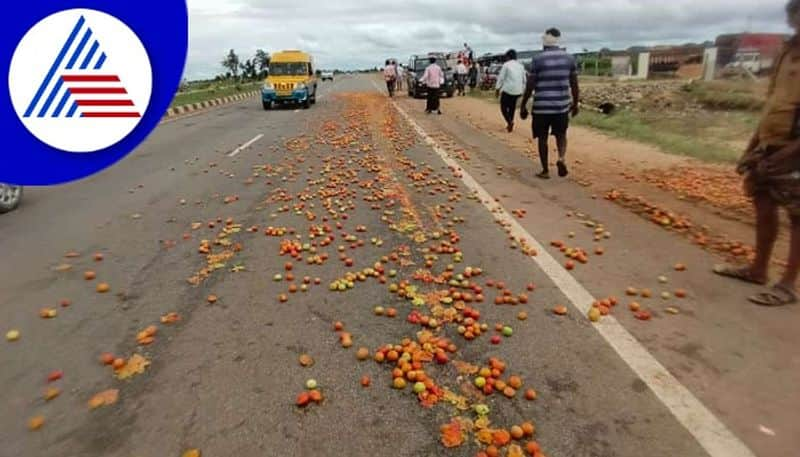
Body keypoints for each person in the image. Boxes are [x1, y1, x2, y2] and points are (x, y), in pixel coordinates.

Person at [713, 0, 800, 306]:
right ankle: (758, 269)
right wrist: (754, 147)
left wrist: (785, 154)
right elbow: (773, 104)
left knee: (796, 215)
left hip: (794, 147)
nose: (794, 22)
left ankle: (788, 284)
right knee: (763, 204)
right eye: (793, 16)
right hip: (770, 141)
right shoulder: (787, 51)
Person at [520, 28, 579, 179]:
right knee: (561, 135)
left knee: (542, 138)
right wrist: (575, 103)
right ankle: (561, 158)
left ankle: (545, 170)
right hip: (561, 107)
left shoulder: (538, 59)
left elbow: (530, 84)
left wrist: (523, 104)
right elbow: (574, 84)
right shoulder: (569, 59)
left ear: (544, 43)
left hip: (541, 107)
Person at [495, 49, 527, 132]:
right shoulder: (521, 66)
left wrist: (497, 89)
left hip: (508, 90)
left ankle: (510, 122)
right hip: (518, 90)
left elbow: (501, 78)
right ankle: (510, 123)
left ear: (508, 57)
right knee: (512, 107)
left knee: (503, 107)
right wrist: (523, 90)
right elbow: (524, 79)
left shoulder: (506, 65)